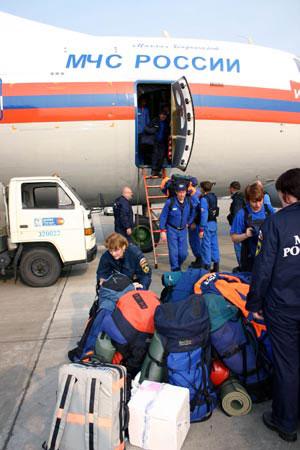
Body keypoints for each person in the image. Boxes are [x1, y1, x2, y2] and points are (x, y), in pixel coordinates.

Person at [246, 168, 300, 443]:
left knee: (287, 364)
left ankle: (286, 421)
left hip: (284, 307)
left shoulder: (276, 224)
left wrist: (253, 303)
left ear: (285, 194)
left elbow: (263, 268)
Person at [230, 182, 274, 272]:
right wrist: (245, 235)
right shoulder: (242, 214)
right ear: (248, 200)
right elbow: (234, 238)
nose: (258, 205)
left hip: (267, 257)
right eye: (254, 201)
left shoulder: (268, 210)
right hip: (250, 258)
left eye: (260, 200)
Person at [160, 182, 195, 271]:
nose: (181, 194)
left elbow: (193, 212)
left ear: (185, 192)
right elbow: (163, 216)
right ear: (176, 192)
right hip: (172, 230)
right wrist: (162, 231)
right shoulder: (170, 202)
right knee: (173, 252)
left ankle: (177, 265)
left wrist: (189, 222)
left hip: (183, 230)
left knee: (183, 253)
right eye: (179, 192)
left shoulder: (188, 201)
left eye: (183, 192)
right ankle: (175, 269)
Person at [199, 181, 220, 272]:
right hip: (214, 223)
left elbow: (204, 215)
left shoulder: (204, 199)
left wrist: (201, 229)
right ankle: (216, 266)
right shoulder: (214, 197)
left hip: (207, 224)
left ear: (203, 189)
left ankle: (206, 266)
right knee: (214, 244)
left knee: (206, 246)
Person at [227, 181, 245, 268]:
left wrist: (230, 219)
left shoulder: (237, 200)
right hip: (243, 227)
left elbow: (237, 215)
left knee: (238, 248)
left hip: (238, 229)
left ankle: (241, 267)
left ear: (232, 188)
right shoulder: (241, 197)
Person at [188, 178, 203, 268]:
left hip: (194, 223)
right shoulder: (197, 193)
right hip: (195, 222)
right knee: (196, 242)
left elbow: (196, 211)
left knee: (195, 242)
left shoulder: (193, 195)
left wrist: (193, 222)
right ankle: (199, 259)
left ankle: (199, 259)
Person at [151, 111, 170, 176]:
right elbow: (146, 128)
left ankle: (157, 171)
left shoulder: (166, 123)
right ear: (159, 115)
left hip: (163, 142)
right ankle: (153, 170)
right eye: (162, 114)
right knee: (155, 155)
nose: (163, 116)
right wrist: (153, 130)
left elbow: (168, 132)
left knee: (161, 156)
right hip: (155, 141)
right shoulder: (155, 121)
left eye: (165, 115)